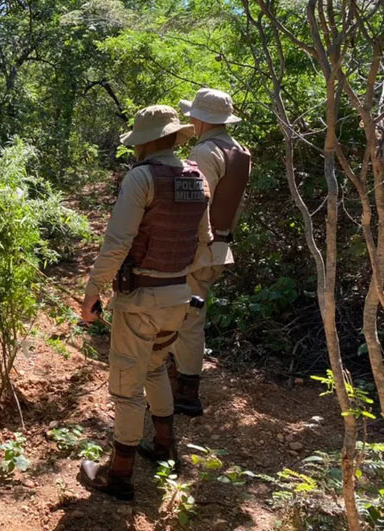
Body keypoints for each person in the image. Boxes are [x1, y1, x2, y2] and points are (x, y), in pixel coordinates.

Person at [78, 105, 211, 500]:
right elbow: (203, 241)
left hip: (140, 300)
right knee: (155, 370)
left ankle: (117, 475)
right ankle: (166, 448)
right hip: (178, 298)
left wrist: (92, 293)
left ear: (148, 141)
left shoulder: (142, 178)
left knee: (125, 388)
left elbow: (118, 242)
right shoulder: (196, 177)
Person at [171, 88, 251, 417]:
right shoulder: (239, 151)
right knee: (189, 314)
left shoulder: (205, 152)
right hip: (220, 246)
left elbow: (194, 207)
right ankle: (179, 380)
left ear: (202, 119)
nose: (189, 119)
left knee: (188, 318)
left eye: (193, 115)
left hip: (198, 249)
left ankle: (185, 393)